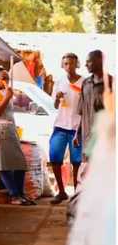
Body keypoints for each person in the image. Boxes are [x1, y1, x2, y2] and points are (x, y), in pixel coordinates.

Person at [0, 67, 35, 206]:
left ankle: (21, 194)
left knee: (20, 164)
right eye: (3, 77)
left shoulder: (6, 93)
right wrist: (6, 97)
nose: (6, 80)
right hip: (1, 132)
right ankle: (14, 195)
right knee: (3, 164)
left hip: (10, 130)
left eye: (7, 78)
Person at [49, 53, 84, 204]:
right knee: (55, 158)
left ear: (77, 64)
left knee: (76, 162)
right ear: (62, 66)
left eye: (71, 63)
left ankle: (76, 194)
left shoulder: (85, 82)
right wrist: (57, 98)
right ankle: (62, 192)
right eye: (66, 64)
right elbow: (55, 106)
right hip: (60, 126)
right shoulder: (59, 82)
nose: (68, 66)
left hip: (77, 128)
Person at [74, 50, 113, 162]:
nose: (85, 65)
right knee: (88, 172)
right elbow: (83, 112)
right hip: (87, 139)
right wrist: (77, 133)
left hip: (104, 139)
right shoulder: (86, 83)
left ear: (100, 61)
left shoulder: (111, 83)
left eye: (89, 62)